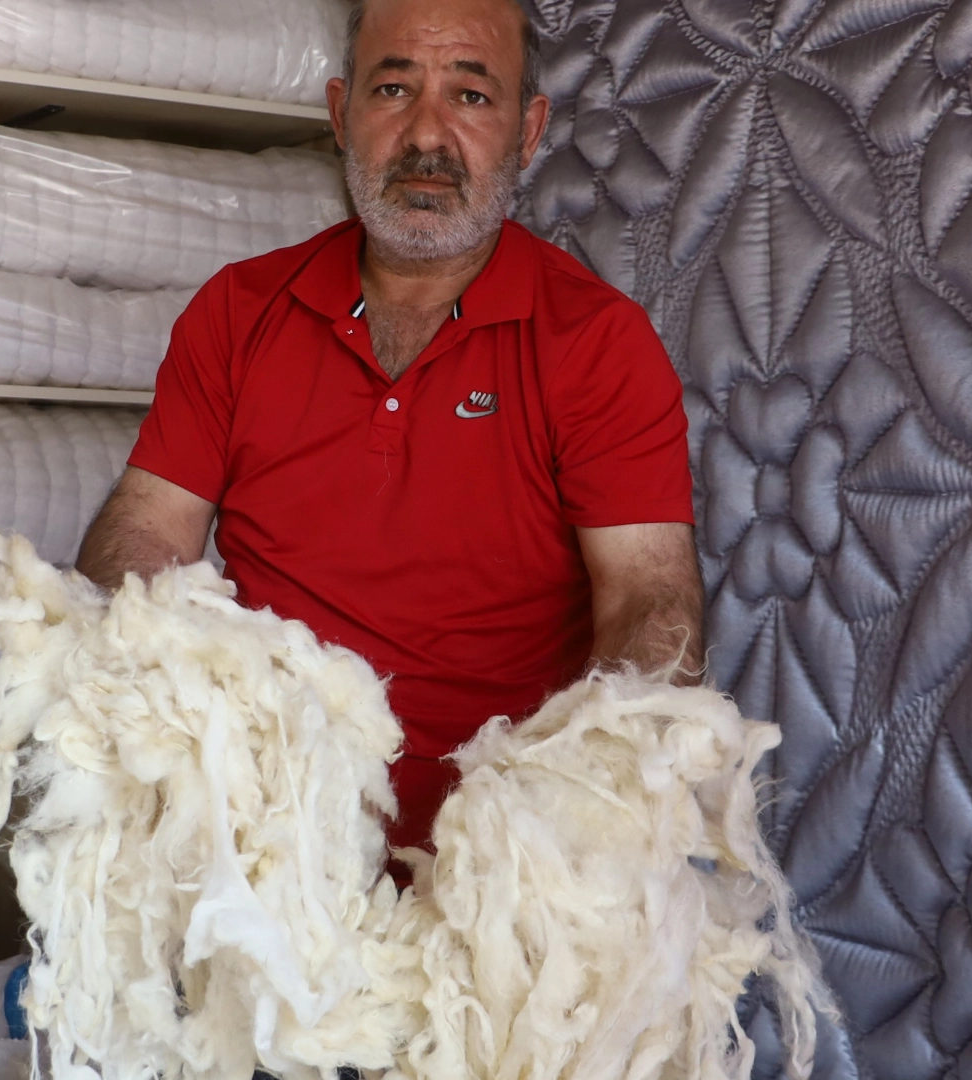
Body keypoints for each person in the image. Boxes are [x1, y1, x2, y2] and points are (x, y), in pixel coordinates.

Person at [76, 0, 703, 852]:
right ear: (342, 114)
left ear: (527, 131)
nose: (426, 135)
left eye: (470, 96)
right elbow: (148, 530)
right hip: (265, 840)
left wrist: (573, 815)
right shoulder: (237, 312)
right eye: (393, 88)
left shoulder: (596, 343)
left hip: (499, 855)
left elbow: (647, 599)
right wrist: (173, 713)